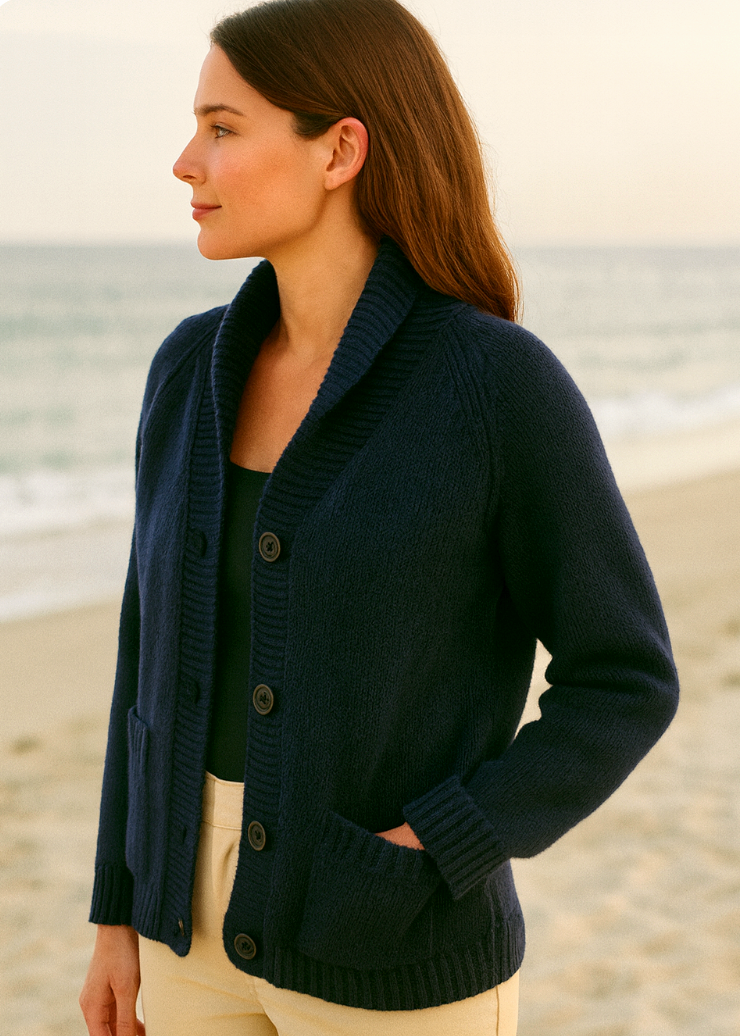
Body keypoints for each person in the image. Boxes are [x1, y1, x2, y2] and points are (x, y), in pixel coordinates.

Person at [79, 1, 679, 1033]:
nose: (186, 162)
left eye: (222, 128)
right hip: (185, 933)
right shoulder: (188, 371)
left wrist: (440, 841)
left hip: (394, 944)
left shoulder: (492, 386)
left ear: (339, 151)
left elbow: (623, 676)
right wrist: (114, 913)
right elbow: (148, 659)